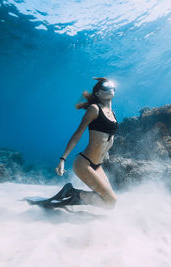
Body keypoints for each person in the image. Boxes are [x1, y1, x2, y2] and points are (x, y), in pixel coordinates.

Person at [48, 77, 119, 209]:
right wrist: (63, 159)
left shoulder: (113, 114)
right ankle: (71, 193)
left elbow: (107, 138)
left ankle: (74, 197)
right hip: (84, 163)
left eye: (111, 86)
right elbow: (78, 134)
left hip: (98, 166)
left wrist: (106, 152)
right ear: (98, 94)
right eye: (105, 87)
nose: (109, 89)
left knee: (108, 204)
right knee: (111, 200)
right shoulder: (94, 109)